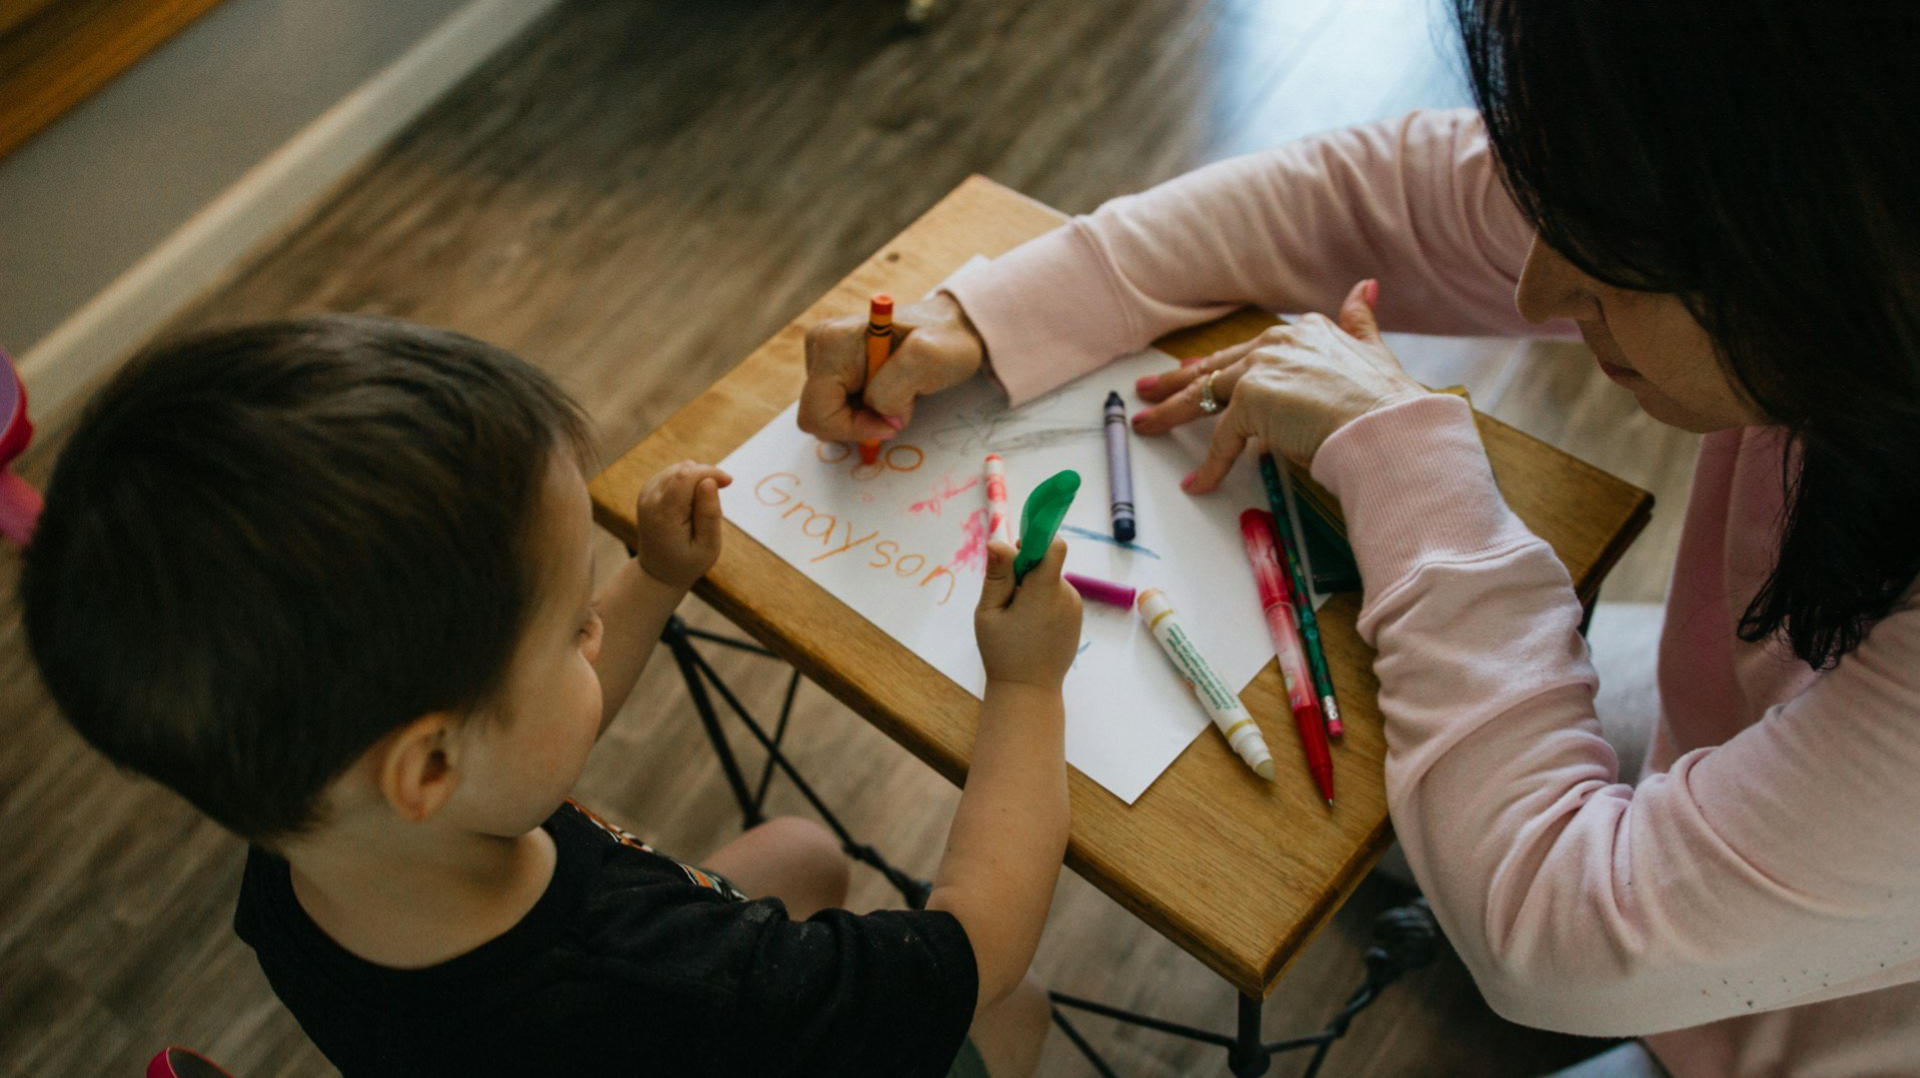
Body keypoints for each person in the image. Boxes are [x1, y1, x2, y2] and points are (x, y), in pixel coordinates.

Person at [795, 1, 1920, 1074]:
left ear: (1827, 240)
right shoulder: (1823, 206)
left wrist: (1404, 454)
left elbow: (1556, 933)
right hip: (1750, 728)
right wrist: (980, 315)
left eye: (1607, 255)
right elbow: (1388, 195)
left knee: (1430, 826)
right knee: (1383, 791)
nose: (1534, 289)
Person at [20, 314, 1083, 1078]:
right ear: (429, 765)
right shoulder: (667, 978)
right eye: (576, 626)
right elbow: (978, 942)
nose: (595, 629)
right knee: (1016, 1008)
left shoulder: (305, 832)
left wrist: (653, 579)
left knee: (805, 850)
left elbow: (516, 742)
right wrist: (1028, 682)